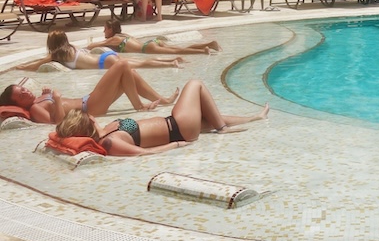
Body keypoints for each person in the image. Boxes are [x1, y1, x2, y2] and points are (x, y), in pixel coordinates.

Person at [53, 79, 269, 156]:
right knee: (195, 84)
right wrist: (175, 145)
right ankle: (223, 129)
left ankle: (254, 118)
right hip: (178, 129)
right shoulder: (110, 141)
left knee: (210, 117)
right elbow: (141, 153)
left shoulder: (107, 131)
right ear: (88, 121)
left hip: (176, 124)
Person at [0, 59, 179, 124]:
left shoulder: (37, 100)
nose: (26, 92)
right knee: (122, 64)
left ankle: (163, 100)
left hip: (89, 100)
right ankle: (140, 106)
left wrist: (46, 93)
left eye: (23, 89)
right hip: (89, 108)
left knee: (128, 73)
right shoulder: (35, 110)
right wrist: (55, 97)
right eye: (21, 96)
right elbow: (59, 123)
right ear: (18, 104)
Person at [17, 30, 184, 71]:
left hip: (104, 63)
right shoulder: (71, 49)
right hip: (105, 56)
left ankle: (170, 64)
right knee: (139, 63)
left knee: (139, 65)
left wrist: (18, 67)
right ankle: (170, 62)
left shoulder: (56, 55)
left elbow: (36, 65)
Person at [89, 19, 221, 56]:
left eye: (105, 28)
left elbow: (92, 46)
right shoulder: (124, 35)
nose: (103, 31)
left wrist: (86, 45)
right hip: (153, 42)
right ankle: (209, 44)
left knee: (178, 51)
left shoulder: (114, 39)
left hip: (147, 48)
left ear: (111, 29)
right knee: (179, 48)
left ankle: (203, 51)